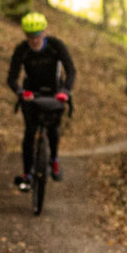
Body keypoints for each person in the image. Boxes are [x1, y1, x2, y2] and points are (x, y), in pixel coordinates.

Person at [6, 12, 75, 189]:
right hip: (31, 93)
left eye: (37, 36)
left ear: (44, 32)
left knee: (53, 127)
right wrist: (21, 92)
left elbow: (71, 70)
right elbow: (12, 78)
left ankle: (54, 159)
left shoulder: (56, 46)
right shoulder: (22, 49)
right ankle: (27, 173)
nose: (34, 40)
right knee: (30, 131)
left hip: (55, 92)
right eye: (30, 36)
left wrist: (66, 91)